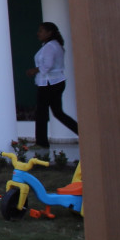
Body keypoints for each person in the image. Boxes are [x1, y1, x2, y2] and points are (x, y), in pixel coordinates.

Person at [25, 21, 78, 149]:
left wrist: (34, 70)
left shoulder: (50, 47)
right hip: (56, 82)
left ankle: (41, 142)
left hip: (48, 84)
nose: (38, 33)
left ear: (49, 33)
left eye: (41, 31)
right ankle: (82, 132)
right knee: (58, 112)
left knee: (41, 113)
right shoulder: (54, 45)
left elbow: (47, 65)